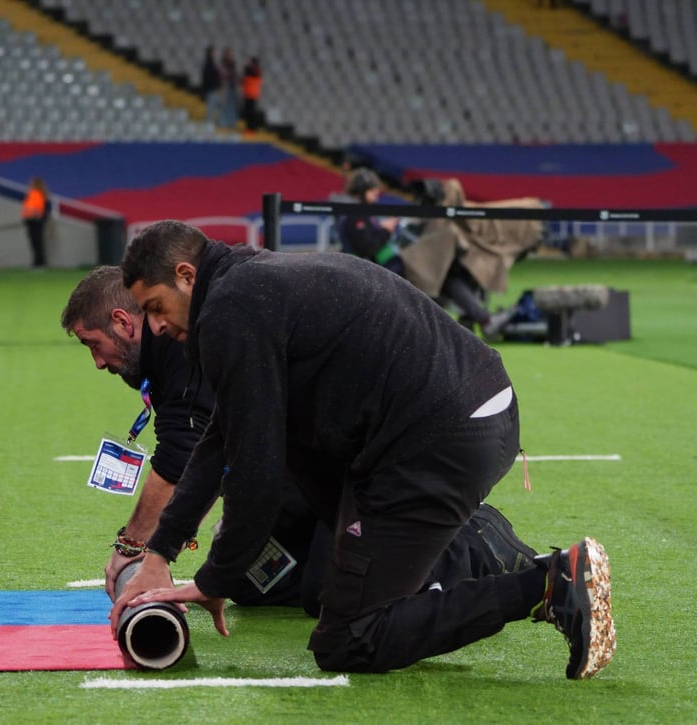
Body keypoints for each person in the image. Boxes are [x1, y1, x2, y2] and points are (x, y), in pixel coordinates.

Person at [112, 221, 616, 679]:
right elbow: (221, 438)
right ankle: (464, 543)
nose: (155, 327)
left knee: (349, 639)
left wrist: (216, 576)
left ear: (185, 275)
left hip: (440, 437)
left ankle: (548, 584)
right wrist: (160, 551)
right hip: (467, 412)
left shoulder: (229, 309)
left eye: (155, 307)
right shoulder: (247, 283)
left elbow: (255, 474)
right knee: (330, 578)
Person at [63, 266, 539, 616]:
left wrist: (138, 549)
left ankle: (477, 542)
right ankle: (407, 551)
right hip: (309, 463)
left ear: (126, 323)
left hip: (359, 456)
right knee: (253, 585)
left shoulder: (188, 342)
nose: (97, 363)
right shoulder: (179, 343)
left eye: (92, 345)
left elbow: (189, 459)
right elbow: (210, 451)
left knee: (330, 600)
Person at [340, 169, 511, 338]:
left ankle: (477, 321)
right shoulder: (355, 216)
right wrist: (386, 230)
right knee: (441, 275)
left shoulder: (361, 213)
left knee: (442, 275)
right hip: (384, 269)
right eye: (373, 191)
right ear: (362, 190)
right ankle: (480, 321)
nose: (377, 195)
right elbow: (368, 249)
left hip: (392, 265)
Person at [21, 177, 50, 268]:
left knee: (36, 243)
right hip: (35, 221)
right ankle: (39, 262)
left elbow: (34, 208)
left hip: (34, 221)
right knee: (37, 243)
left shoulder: (35, 194)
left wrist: (31, 216)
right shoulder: (41, 194)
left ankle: (39, 263)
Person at [200, 46, 222, 125]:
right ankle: (209, 123)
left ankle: (211, 122)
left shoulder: (210, 63)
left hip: (212, 88)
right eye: (213, 52)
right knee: (211, 107)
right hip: (211, 88)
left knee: (213, 106)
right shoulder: (209, 63)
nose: (215, 54)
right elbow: (208, 76)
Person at [240, 55, 262, 132]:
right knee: (248, 112)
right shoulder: (250, 71)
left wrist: (247, 68)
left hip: (251, 94)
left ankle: (251, 128)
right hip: (248, 94)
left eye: (250, 62)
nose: (248, 64)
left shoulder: (255, 71)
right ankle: (249, 127)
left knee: (251, 113)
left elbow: (250, 73)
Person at [219, 48, 239, 129]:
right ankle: (223, 122)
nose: (229, 55)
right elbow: (223, 74)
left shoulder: (232, 63)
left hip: (232, 86)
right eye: (228, 54)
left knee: (232, 105)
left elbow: (233, 74)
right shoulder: (223, 63)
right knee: (225, 104)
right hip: (225, 85)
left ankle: (232, 122)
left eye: (230, 54)